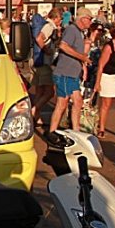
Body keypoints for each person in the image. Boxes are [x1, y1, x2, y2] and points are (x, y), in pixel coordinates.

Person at [48, 7, 93, 140]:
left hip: (72, 74)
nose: (90, 22)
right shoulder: (72, 30)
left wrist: (83, 65)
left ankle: (76, 131)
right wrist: (81, 57)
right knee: (62, 103)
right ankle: (52, 131)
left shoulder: (80, 32)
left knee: (77, 102)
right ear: (83, 18)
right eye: (89, 19)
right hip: (65, 73)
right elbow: (63, 45)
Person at [30, 8, 61, 126]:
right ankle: (34, 109)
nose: (61, 21)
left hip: (36, 61)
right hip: (44, 63)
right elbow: (39, 38)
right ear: (56, 17)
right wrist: (46, 49)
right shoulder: (49, 26)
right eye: (60, 18)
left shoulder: (44, 25)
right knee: (49, 92)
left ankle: (36, 116)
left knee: (39, 90)